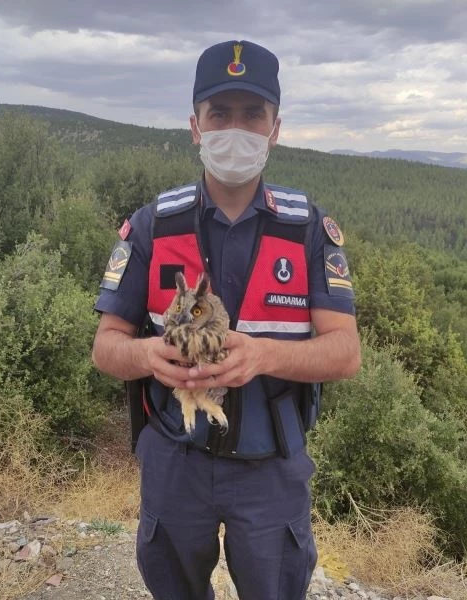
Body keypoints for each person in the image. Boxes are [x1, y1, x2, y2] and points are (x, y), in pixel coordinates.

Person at [91, 39, 361, 600]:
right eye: (220, 114)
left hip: (270, 470)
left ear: (275, 128)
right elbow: (107, 347)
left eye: (252, 115)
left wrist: (264, 355)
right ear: (195, 126)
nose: (235, 129)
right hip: (174, 460)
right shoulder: (151, 227)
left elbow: (345, 353)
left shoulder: (309, 229)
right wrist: (146, 355)